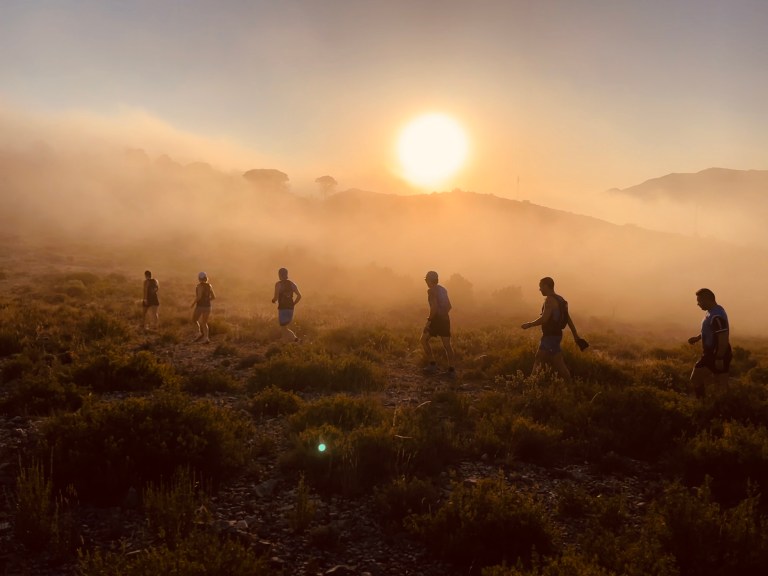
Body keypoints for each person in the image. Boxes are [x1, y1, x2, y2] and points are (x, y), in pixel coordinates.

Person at [521, 277, 586, 383]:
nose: (540, 289)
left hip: (550, 335)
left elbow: (544, 318)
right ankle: (570, 386)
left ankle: (530, 384)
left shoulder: (549, 300)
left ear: (546, 286)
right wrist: (575, 335)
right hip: (556, 335)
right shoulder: (561, 300)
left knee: (540, 358)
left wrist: (529, 325)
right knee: (557, 362)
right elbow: (568, 319)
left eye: (541, 287)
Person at [688, 288, 732, 397]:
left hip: (715, 353)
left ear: (708, 299)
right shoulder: (711, 312)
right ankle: (718, 408)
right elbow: (711, 331)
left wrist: (719, 358)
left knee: (696, 379)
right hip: (715, 353)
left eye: (699, 301)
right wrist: (698, 338)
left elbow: (723, 337)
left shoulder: (717, 315)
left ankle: (702, 404)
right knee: (721, 385)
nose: (698, 304)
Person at [420, 270, 456, 377]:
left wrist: (429, 320)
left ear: (430, 281)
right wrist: (443, 314)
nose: (426, 282)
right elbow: (449, 306)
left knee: (423, 340)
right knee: (447, 345)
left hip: (436, 320)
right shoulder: (443, 290)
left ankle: (432, 364)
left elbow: (434, 307)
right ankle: (452, 370)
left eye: (426, 280)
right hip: (445, 319)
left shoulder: (431, 291)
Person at [272, 268, 302, 342]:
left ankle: (294, 339)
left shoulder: (278, 284)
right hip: (290, 308)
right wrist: (293, 304)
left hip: (282, 308)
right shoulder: (292, 284)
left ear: (279, 275)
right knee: (284, 327)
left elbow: (275, 297)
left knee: (283, 327)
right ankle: (288, 341)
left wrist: (273, 300)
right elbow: (299, 296)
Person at [191, 272, 216, 343]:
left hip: (200, 306)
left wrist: (193, 303)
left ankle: (198, 333)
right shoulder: (209, 286)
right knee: (204, 322)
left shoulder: (199, 286)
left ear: (199, 278)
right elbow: (213, 297)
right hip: (208, 306)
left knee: (194, 320)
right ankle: (206, 338)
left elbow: (199, 297)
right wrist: (207, 300)